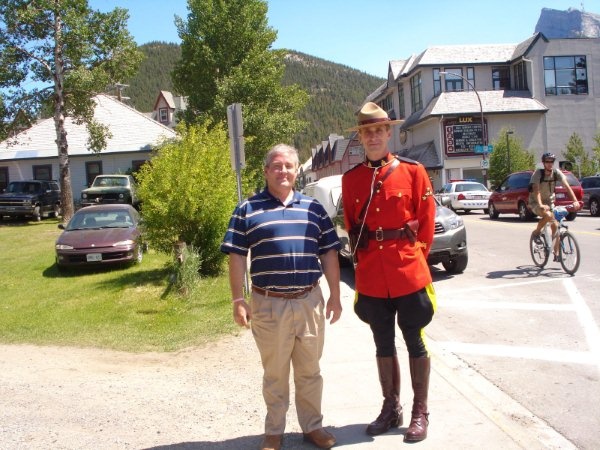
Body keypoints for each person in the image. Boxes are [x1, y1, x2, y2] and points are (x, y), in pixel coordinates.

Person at [221, 144, 342, 450]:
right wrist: (238, 300)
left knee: (309, 371)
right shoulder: (246, 210)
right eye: (277, 165)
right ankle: (274, 432)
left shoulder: (313, 209)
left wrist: (335, 296)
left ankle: (312, 427)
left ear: (297, 170)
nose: (283, 171)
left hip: (309, 301)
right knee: (275, 373)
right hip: (268, 303)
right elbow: (236, 256)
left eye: (289, 165)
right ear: (266, 171)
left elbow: (329, 253)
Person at [341, 102, 436, 443]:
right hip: (372, 276)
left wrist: (415, 259)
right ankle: (390, 406)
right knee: (382, 342)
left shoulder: (413, 172)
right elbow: (352, 227)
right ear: (361, 137)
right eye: (367, 132)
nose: (373, 136)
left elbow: (426, 224)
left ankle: (420, 412)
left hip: (407, 272)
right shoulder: (351, 180)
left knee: (415, 340)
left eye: (378, 130)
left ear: (388, 132)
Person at [529, 152, 581, 261]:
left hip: (550, 203)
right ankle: (536, 233)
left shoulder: (556, 173)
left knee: (556, 227)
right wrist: (540, 205)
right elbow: (536, 190)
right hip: (536, 203)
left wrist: (575, 201)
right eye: (547, 161)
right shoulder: (538, 173)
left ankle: (556, 254)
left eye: (551, 161)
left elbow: (567, 186)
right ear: (543, 163)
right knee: (547, 215)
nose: (549, 164)